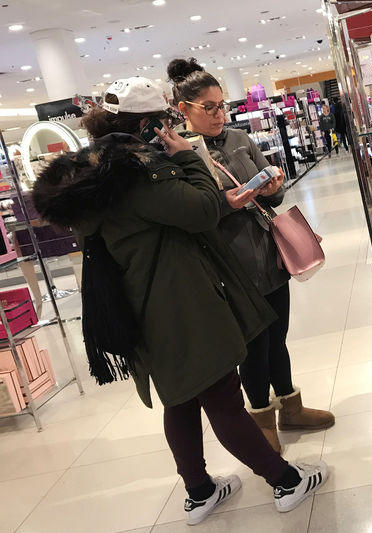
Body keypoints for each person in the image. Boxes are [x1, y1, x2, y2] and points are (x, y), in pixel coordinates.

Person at [30, 77, 328, 525]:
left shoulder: (93, 176)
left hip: (139, 303)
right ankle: (286, 481)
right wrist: (188, 160)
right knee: (222, 397)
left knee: (181, 400)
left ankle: (199, 491)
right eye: (164, 121)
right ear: (149, 124)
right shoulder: (136, 174)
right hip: (178, 303)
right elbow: (201, 210)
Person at [167, 58, 335, 454]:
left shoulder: (240, 138)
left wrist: (273, 185)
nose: (219, 114)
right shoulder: (180, 155)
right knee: (254, 348)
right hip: (229, 266)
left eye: (222, 105)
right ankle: (261, 418)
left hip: (269, 253)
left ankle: (290, 408)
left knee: (278, 338)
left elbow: (273, 193)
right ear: (184, 110)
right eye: (208, 108)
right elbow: (189, 215)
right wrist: (226, 203)